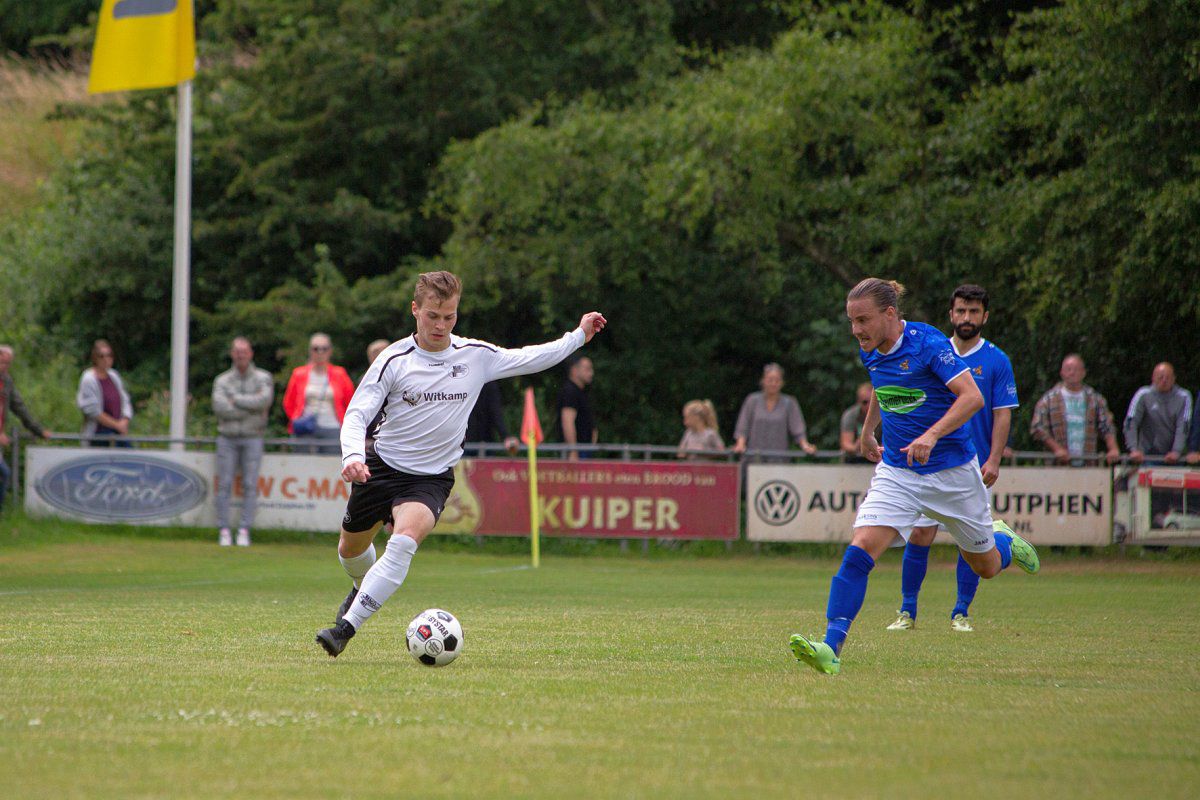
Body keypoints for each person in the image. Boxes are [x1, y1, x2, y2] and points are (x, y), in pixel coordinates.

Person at [315, 270, 606, 657]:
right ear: (415, 310)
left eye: (449, 316)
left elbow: (531, 357)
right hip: (380, 468)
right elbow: (357, 413)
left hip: (430, 479)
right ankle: (360, 587)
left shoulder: (475, 356)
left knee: (403, 542)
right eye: (433, 316)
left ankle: (345, 628)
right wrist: (353, 455)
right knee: (350, 551)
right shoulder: (393, 360)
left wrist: (579, 336)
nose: (441, 325)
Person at [788, 278, 1039, 677]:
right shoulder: (870, 347)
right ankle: (830, 647)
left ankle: (1004, 541)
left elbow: (973, 397)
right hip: (898, 472)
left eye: (862, 320)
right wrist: (868, 431)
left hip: (953, 473)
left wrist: (931, 435)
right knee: (860, 548)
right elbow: (881, 386)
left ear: (890, 313)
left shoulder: (929, 345)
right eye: (851, 321)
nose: (855, 329)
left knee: (987, 566)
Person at [885, 284, 1019, 634]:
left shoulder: (997, 360)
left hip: (970, 464)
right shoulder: (931, 349)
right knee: (919, 534)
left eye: (974, 311)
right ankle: (907, 610)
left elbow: (1002, 413)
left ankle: (961, 612)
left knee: (969, 543)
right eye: (961, 310)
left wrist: (994, 459)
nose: (966, 317)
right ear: (951, 314)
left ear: (985, 316)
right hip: (926, 463)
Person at [211, 337, 275, 547]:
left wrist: (235, 400)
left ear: (251, 353)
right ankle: (223, 530)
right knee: (224, 484)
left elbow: (264, 401)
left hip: (253, 437)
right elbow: (220, 407)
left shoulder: (263, 377)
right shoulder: (222, 380)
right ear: (232, 354)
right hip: (227, 437)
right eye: (237, 351)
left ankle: (244, 530)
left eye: (244, 351)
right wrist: (250, 408)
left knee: (250, 484)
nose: (241, 355)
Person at [1030, 354, 1122, 466]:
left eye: (1076, 369)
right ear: (1062, 373)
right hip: (1057, 466)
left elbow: (1106, 425)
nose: (1072, 373)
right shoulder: (1048, 399)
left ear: (1083, 373)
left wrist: (1113, 449)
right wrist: (1057, 449)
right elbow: (1038, 427)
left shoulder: (1095, 399)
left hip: (1088, 463)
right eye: (1068, 369)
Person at [282, 333, 355, 454]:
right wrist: (297, 418)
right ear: (310, 351)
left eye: (324, 348)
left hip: (332, 426)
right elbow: (288, 402)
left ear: (330, 351)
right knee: (302, 462)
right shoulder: (299, 373)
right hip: (305, 427)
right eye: (316, 349)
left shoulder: (340, 373)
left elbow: (350, 401)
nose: (320, 352)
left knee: (331, 463)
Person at [0, 345, 52, 511]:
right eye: (2, 362)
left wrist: (38, 430)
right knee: (4, 473)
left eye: (8, 363)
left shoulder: (6, 382)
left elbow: (19, 407)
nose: (5, 367)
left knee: (4, 474)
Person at [732, 363, 818, 459]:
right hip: (753, 458)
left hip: (779, 459)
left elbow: (798, 429)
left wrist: (805, 445)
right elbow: (743, 427)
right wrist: (740, 444)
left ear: (782, 383)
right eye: (770, 380)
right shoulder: (752, 401)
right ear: (763, 381)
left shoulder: (790, 403)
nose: (773, 383)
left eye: (777, 380)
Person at [1123, 362, 1191, 465]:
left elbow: (1184, 426)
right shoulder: (1143, 394)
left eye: (1168, 377)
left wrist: (1176, 451)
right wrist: (1133, 449)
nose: (1164, 380)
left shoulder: (1184, 397)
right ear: (1153, 378)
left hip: (1175, 456)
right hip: (1148, 454)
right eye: (1160, 377)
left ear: (1174, 379)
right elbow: (1131, 421)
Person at [76, 339, 133, 447]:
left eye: (109, 355)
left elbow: (125, 401)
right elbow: (93, 411)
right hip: (98, 434)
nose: (106, 359)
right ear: (95, 358)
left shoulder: (114, 376)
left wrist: (124, 421)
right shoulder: (88, 379)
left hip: (118, 432)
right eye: (102, 356)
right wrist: (117, 425)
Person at [557, 355, 596, 460]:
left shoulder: (582, 391)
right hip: (577, 450)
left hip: (584, 448)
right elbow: (567, 422)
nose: (591, 373)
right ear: (574, 370)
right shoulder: (570, 391)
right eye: (587, 369)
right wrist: (573, 450)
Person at [465, 381, 520, 454]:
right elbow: (495, 413)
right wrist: (505, 436)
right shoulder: (490, 385)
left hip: (464, 439)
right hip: (484, 439)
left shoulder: (463, 383)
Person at [839, 382, 873, 462]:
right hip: (853, 459)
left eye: (872, 402)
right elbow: (845, 444)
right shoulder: (850, 415)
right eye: (865, 402)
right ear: (858, 402)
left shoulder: (883, 415)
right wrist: (857, 446)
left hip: (877, 457)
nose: (868, 406)